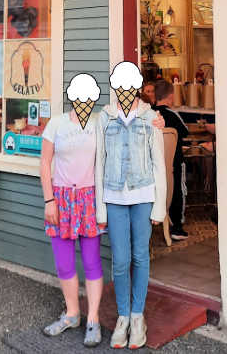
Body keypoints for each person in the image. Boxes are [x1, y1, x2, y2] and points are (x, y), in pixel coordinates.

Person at [95, 62, 166, 350]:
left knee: (140, 257)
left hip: (143, 195)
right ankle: (123, 316)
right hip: (114, 197)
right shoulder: (105, 118)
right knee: (121, 260)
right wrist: (101, 209)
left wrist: (159, 207)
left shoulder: (151, 119)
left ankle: (138, 316)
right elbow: (99, 162)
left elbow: (159, 163)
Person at [40, 74, 104, 347]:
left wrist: (155, 118)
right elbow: (45, 163)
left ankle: (93, 319)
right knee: (64, 261)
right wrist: (49, 200)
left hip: (89, 197)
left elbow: (132, 118)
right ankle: (72, 314)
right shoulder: (57, 124)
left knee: (92, 261)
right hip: (61, 198)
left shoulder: (99, 123)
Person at [154, 79, 189, 240]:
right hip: (174, 162)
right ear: (171, 96)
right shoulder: (173, 115)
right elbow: (185, 132)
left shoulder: (149, 114)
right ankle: (177, 226)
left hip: (154, 164)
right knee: (178, 190)